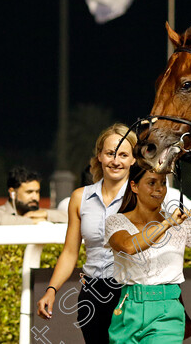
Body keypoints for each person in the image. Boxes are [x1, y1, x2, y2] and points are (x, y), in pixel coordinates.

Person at [104, 164, 191, 344]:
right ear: (134, 186)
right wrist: (167, 223)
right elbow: (130, 246)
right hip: (128, 310)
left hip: (167, 310)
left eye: (162, 183)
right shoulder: (116, 221)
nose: (159, 189)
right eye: (151, 183)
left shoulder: (181, 223)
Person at [37, 124, 137, 343]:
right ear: (99, 155)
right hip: (92, 295)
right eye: (110, 153)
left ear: (133, 159)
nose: (116, 161)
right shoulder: (80, 197)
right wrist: (52, 290)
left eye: (123, 155)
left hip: (131, 294)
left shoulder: (142, 198)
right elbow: (70, 252)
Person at [0, 167, 69, 225]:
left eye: (37, 192)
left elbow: (69, 218)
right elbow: (1, 221)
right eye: (29, 192)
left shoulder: (39, 213)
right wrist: (36, 222)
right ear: (12, 193)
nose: (35, 197)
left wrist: (46, 214)